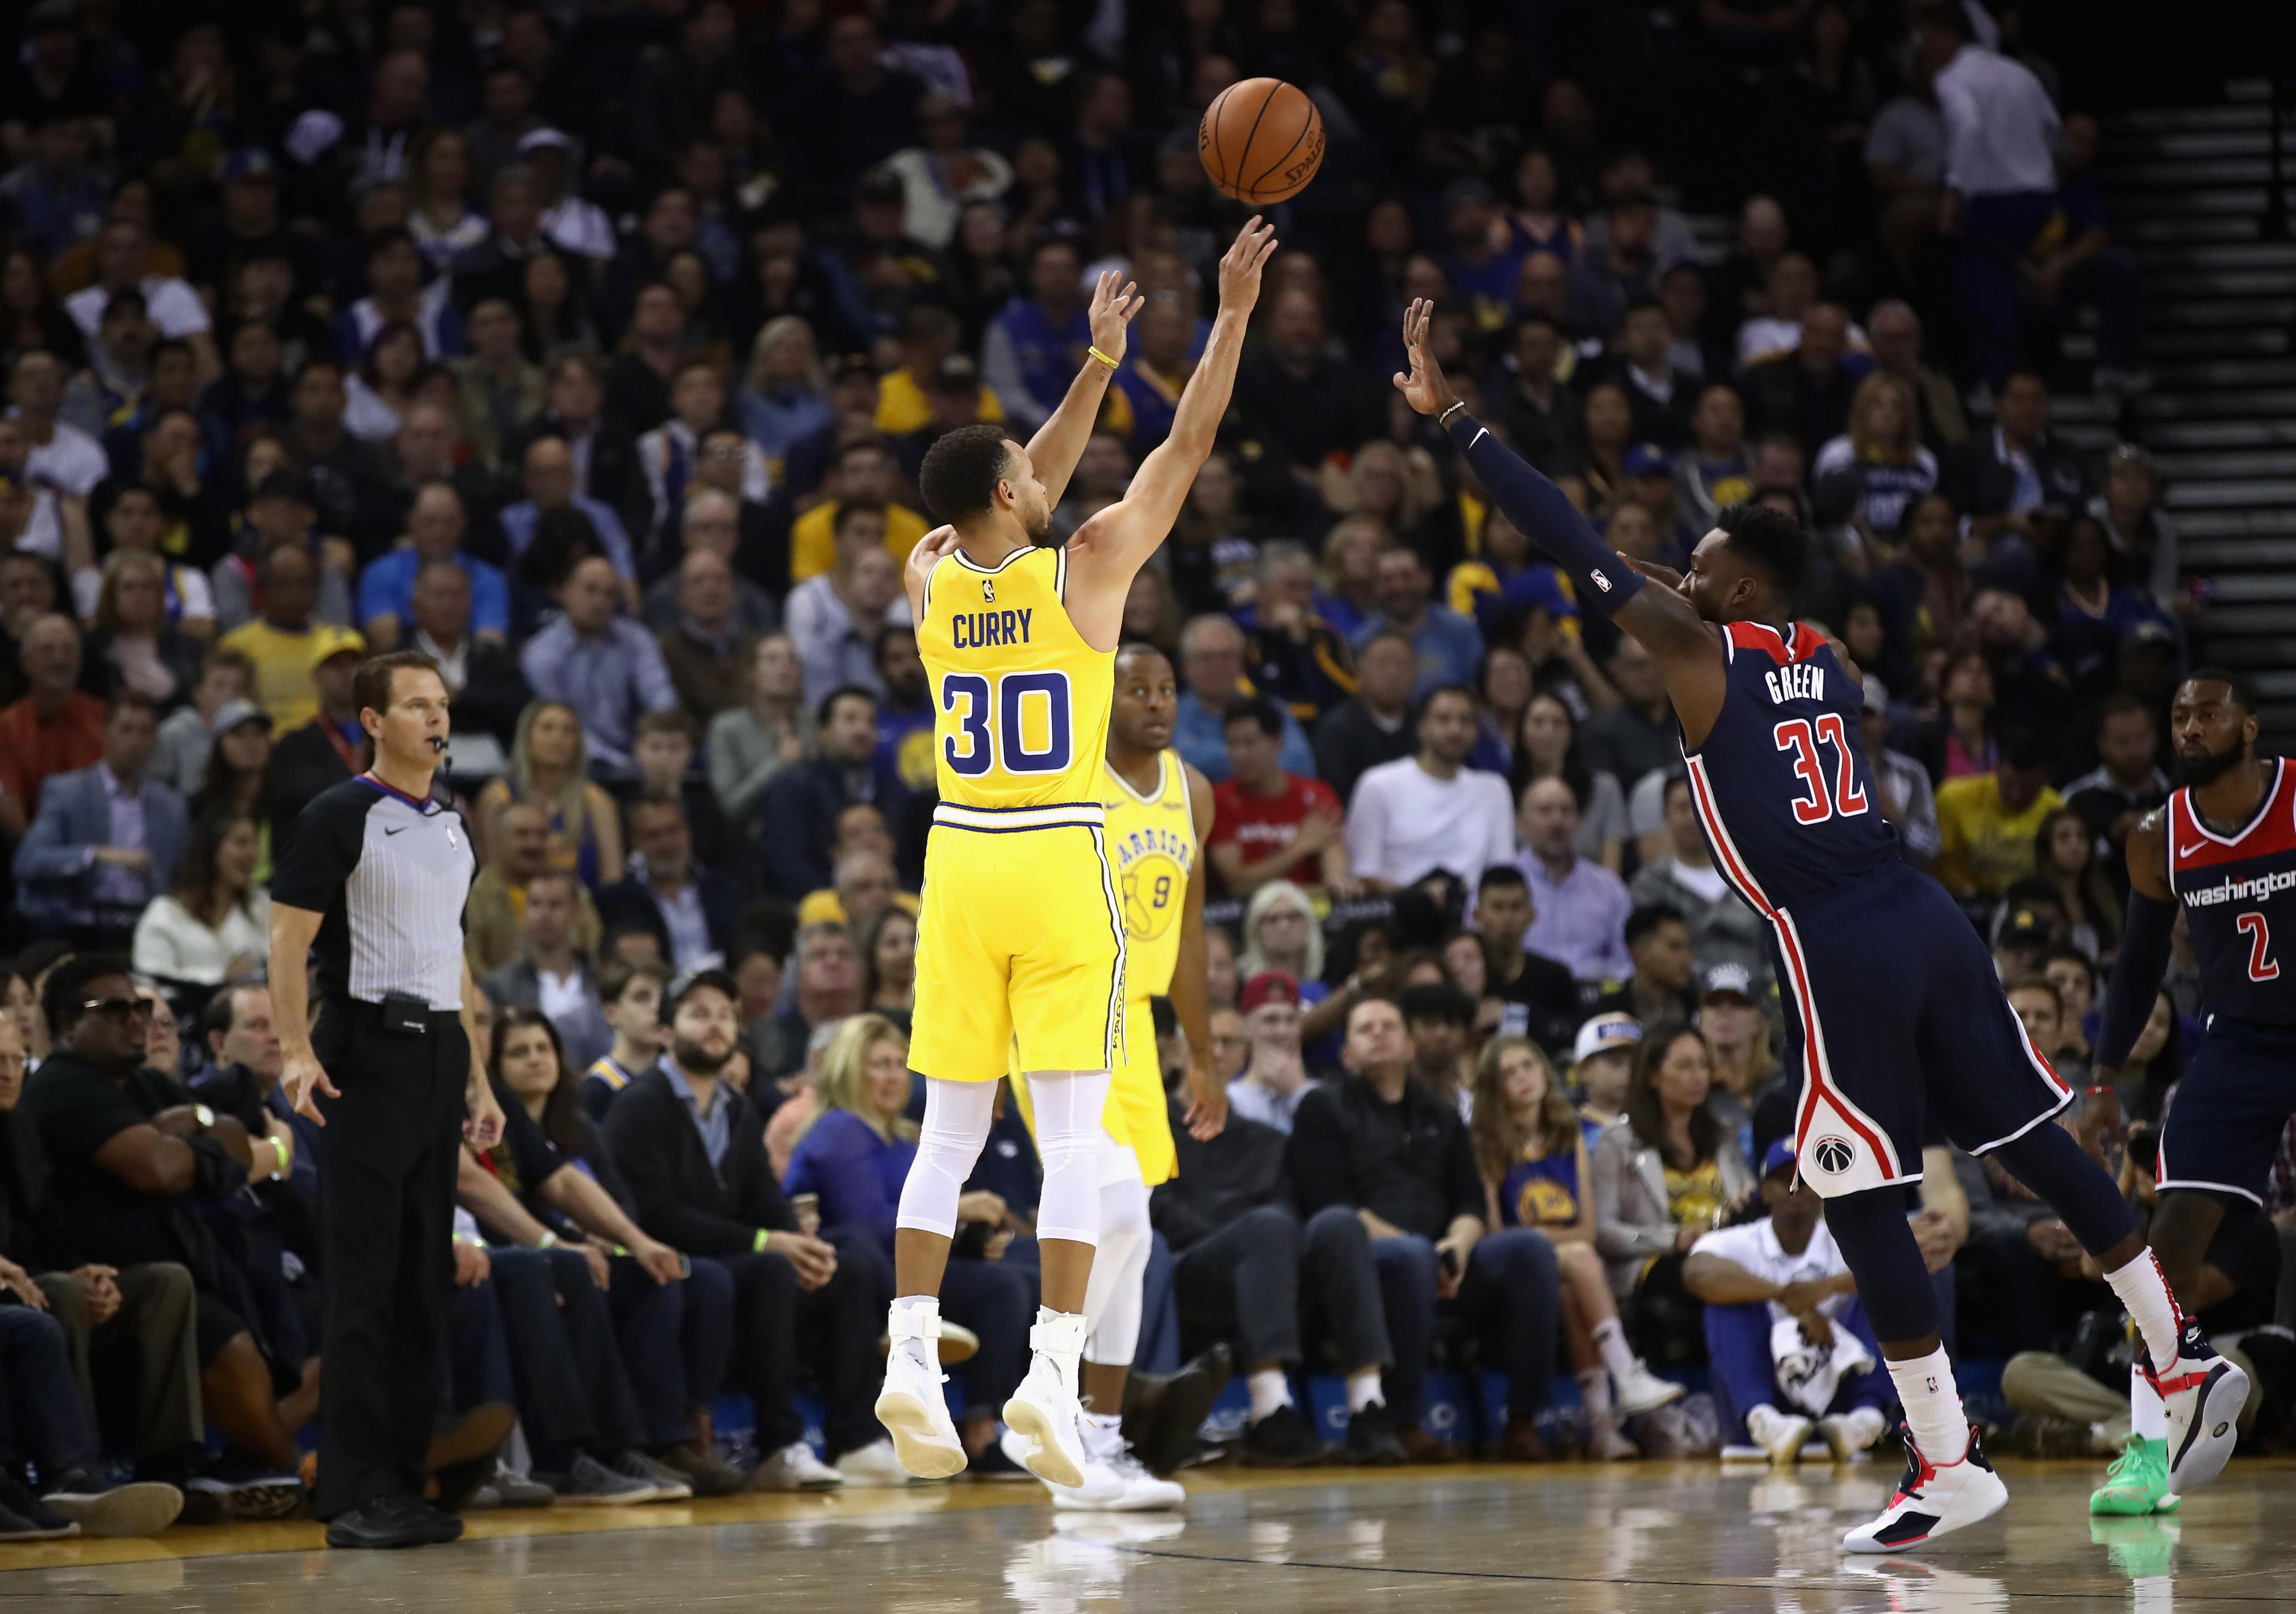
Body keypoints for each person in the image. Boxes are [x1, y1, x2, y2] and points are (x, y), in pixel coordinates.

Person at [1393, 295, 2227, 1549]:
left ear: (1737, 587)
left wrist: (1457, 420)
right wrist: (1682, 582)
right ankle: (2178, 1348)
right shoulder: (1821, 655)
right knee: (2029, 1138)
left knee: (1857, 1195)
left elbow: (1568, 534)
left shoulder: (1699, 649)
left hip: (1839, 938)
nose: (1680, 573)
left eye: (1699, 564)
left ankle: (1946, 1459)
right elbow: (1694, 598)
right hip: (1925, 912)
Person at [874, 222, 1274, 1491]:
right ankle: (1053, 1374)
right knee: (1072, 1133)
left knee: (947, 1135)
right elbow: (1185, 447)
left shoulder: (930, 574)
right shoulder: (1086, 573)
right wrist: (1230, 315)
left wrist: (1097, 364)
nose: (1045, 481)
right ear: (1010, 496)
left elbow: (1008, 488)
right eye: (1027, 478)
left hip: (957, 861)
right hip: (1056, 860)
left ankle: (908, 1355)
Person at [268, 650, 509, 1549]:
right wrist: (295, 1049)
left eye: (441, 705)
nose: (436, 720)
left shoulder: (453, 827)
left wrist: (479, 1076)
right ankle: (353, 1491)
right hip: (364, 1049)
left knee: (421, 1280)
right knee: (364, 1283)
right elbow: (286, 943)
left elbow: (454, 957)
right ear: (372, 721)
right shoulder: (339, 814)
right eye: (416, 706)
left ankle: (405, 1482)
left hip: (438, 1051)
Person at [1004, 640, 1224, 1508]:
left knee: (1134, 1244)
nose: (1156, 702)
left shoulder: (1192, 792)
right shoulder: (1068, 781)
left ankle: (1095, 1443)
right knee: (1121, 1212)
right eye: (1137, 688)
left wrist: (1202, 1052)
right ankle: (1047, 1401)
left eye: (1167, 689)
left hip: (1132, 1025)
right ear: (1104, 695)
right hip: (1058, 1009)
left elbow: (1190, 934)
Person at [2086, 672, 2286, 1514]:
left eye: (2209, 713)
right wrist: (2103, 1077)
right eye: (2180, 717)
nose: (2191, 728)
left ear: (2250, 726)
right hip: (2239, 1044)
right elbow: (2136, 969)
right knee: (2164, 1242)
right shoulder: (2157, 836)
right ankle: (2148, 1449)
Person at [600, 969, 894, 1491]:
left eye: (725, 1015)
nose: (716, 1026)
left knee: (844, 1269)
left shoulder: (737, 1109)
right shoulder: (639, 1104)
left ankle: (857, 1439)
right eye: (699, 1014)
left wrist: (802, 1246)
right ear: (666, 1031)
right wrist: (765, 1243)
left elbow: (765, 1201)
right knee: (771, 1269)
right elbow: (655, 1215)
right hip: (670, 1260)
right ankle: (780, 1443)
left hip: (731, 1259)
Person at [1290, 994, 1565, 1461]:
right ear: (1347, 1054)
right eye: (1365, 1029)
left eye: (1389, 1026)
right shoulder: (1322, 1106)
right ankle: (1405, 1419)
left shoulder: (1440, 1112)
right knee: (1411, 1257)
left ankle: (1525, 1419)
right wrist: (1424, 1251)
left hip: (1444, 1258)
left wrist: (1457, 1246)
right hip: (1364, 1262)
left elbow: (1469, 1199)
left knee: (1530, 1250)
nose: (1379, 1034)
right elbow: (1331, 1204)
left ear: (1410, 1047)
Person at [783, 1014, 1033, 1481]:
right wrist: (957, 1208)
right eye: (879, 1064)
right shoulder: (839, 1129)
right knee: (1001, 1290)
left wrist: (971, 1239)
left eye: (900, 1064)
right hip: (845, 1277)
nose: (894, 1076)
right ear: (848, 1070)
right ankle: (971, 1429)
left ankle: (1005, 1427)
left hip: (898, 1269)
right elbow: (867, 1222)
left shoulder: (904, 1136)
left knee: (1018, 1276)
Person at [1469, 1036, 1682, 1460]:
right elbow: (1496, 1231)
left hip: (1565, 1262)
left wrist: (1545, 1239)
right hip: (1512, 1263)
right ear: (1494, 1088)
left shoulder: (1570, 1136)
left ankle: (1603, 1428)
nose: (1522, 1078)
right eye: (1508, 1073)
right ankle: (1627, 1372)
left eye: (1528, 1066)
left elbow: (1586, 1228)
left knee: (1571, 1285)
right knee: (1578, 1259)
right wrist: (1546, 1241)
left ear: (1545, 1072)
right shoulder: (1486, 1143)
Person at [1681, 1139, 1891, 1464]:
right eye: (1784, 1179)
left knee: (1879, 1289)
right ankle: (1763, 1421)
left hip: (1839, 1392)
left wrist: (1830, 1286)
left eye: (1805, 1179)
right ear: (1764, 1191)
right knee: (1723, 1301)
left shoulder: (1848, 1240)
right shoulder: (1741, 1240)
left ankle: (1866, 1420)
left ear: (1823, 1189)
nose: (1796, 1188)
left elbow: (1896, 1270)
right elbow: (1697, 1273)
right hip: (1766, 1386)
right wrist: (1791, 1299)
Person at [12, 693, 188, 946]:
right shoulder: (67, 793)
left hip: (144, 926)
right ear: (106, 734)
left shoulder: (171, 807)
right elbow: (28, 861)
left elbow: (182, 879)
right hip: (78, 924)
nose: (134, 741)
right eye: (126, 730)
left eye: (144, 732)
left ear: (155, 741)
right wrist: (96, 855)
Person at [519, 555, 680, 779]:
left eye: (609, 593)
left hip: (637, 756)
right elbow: (561, 724)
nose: (599, 601)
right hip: (577, 761)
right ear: (566, 592)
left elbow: (661, 698)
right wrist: (620, 763)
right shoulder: (542, 654)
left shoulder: (636, 639)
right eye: (591, 590)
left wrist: (657, 743)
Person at [1344, 687, 1515, 892]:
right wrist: (1422, 898)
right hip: (1398, 907)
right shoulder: (1378, 784)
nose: (1455, 730)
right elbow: (1363, 875)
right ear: (1421, 728)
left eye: (1466, 720)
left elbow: (1503, 873)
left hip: (1474, 909)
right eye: (1443, 719)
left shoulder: (1494, 789)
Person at [130, 808, 268, 990]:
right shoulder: (165, 913)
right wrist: (221, 977)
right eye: (241, 843)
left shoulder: (260, 906)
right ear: (212, 848)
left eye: (255, 844)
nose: (253, 853)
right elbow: (151, 981)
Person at [1225, 971, 1320, 1134]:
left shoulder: (1322, 1095)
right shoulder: (1231, 1101)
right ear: (1245, 1027)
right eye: (1270, 1020)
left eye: (1291, 1020)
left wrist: (1299, 1091)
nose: (1283, 1032)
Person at [579, 958, 671, 1121]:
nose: (657, 1007)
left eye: (664, 998)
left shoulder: (679, 1079)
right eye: (641, 998)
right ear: (611, 1013)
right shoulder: (594, 1091)